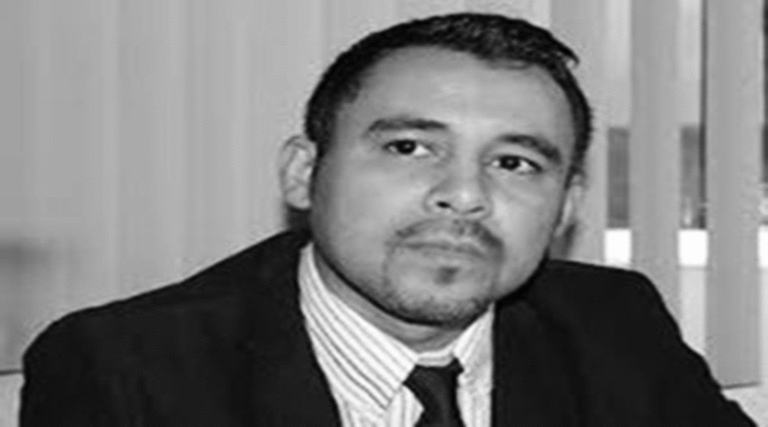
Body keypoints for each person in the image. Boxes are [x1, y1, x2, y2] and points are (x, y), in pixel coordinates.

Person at [20, 12, 755, 427]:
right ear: (303, 173)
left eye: (514, 163)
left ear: (566, 207)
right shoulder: (126, 371)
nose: (464, 194)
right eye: (409, 147)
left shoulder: (613, 324)